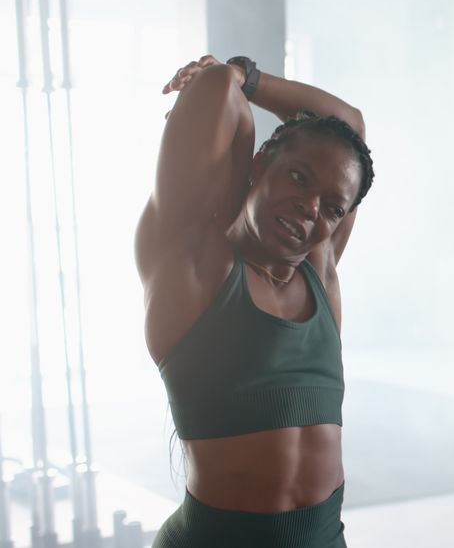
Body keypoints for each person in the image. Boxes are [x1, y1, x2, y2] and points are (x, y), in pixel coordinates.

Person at [135, 54, 373, 547]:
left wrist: (253, 79)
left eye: (332, 206)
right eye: (299, 177)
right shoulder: (194, 265)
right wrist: (234, 78)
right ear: (259, 164)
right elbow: (218, 88)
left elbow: (349, 127)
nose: (310, 209)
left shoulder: (320, 269)